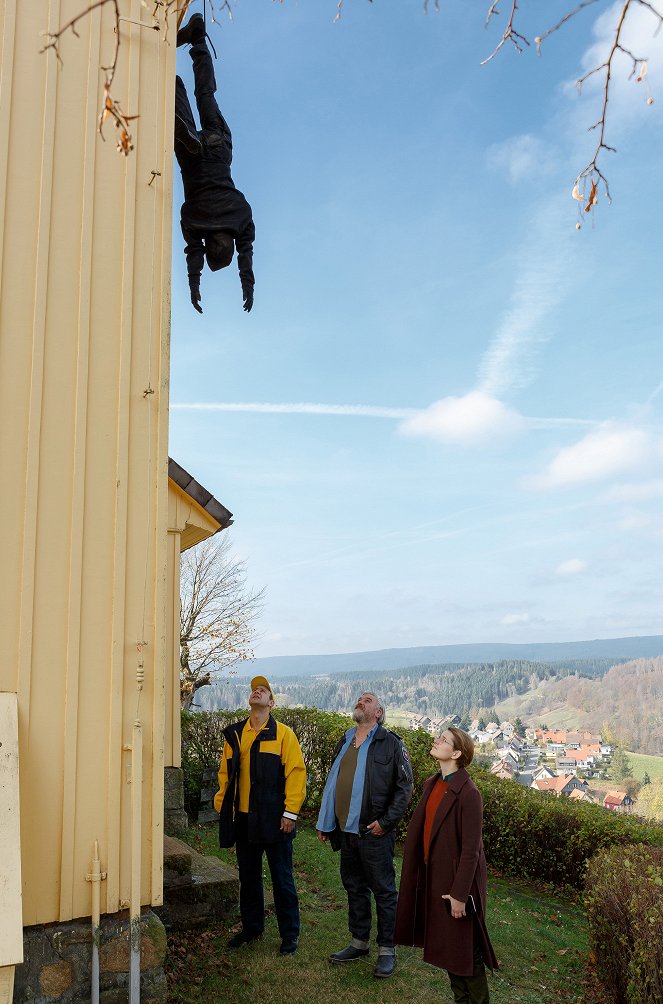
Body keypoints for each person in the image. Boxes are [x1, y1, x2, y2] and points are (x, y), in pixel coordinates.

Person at [394, 727, 498, 1004]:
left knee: (467, 953)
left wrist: (459, 895)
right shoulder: (434, 783)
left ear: (456, 753)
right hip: (436, 879)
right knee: (452, 952)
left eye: (444, 740)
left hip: (458, 885)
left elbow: (471, 851)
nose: (436, 740)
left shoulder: (468, 793)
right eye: (439, 736)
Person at [316, 692, 413, 979]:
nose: (361, 702)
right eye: (359, 699)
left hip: (374, 833)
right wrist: (326, 821)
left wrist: (386, 822)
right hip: (346, 832)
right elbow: (334, 782)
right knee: (354, 887)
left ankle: (387, 949)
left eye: (367, 700)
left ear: (378, 713)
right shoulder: (345, 740)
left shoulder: (391, 744)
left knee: (383, 891)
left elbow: (404, 788)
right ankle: (359, 943)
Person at [213, 675, 306, 955]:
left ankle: (290, 935)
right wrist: (222, 806)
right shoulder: (236, 734)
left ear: (272, 703)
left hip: (276, 821)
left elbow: (296, 775)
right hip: (243, 820)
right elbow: (225, 775)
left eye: (263, 690)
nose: (258, 691)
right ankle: (252, 928)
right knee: (249, 879)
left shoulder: (284, 735)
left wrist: (290, 813)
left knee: (282, 880)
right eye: (255, 689)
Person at [175, 14, 255, 315]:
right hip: (193, 159)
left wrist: (248, 285)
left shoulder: (242, 218)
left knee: (206, 94)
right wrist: (194, 285)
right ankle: (167, 91)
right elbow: (192, 254)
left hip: (221, 148)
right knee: (175, 117)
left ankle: (197, 41)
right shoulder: (194, 221)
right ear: (211, 244)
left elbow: (247, 256)